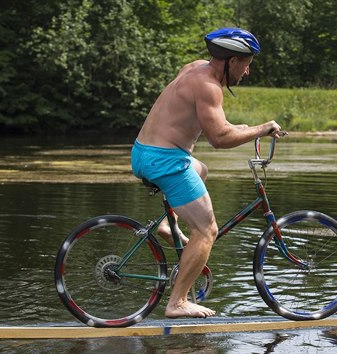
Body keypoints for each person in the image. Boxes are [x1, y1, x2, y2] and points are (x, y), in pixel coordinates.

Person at [131, 28, 282, 318]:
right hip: (165, 160)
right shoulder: (209, 87)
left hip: (145, 152)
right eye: (247, 63)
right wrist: (261, 129)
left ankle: (167, 224)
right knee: (206, 231)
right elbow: (219, 138)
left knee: (201, 169)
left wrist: (247, 128)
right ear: (232, 60)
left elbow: (217, 124)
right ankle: (177, 302)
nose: (247, 71)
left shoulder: (195, 68)